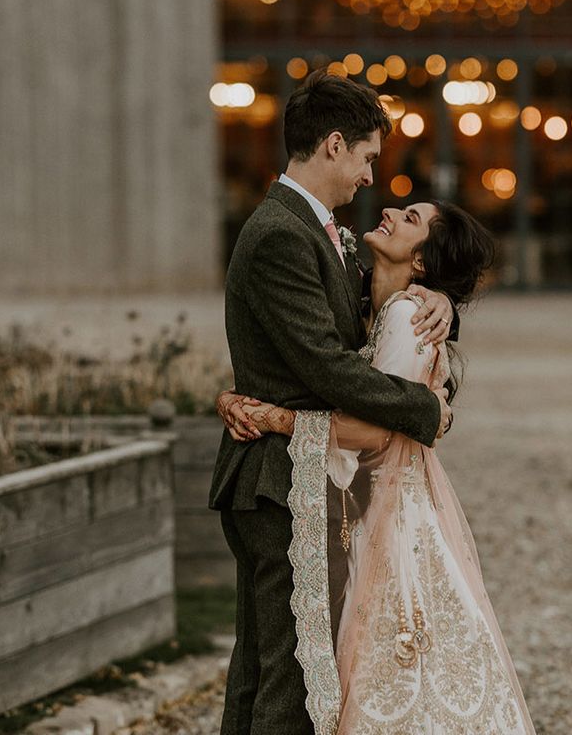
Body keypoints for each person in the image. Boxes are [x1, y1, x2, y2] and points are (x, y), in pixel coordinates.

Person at [222, 200, 538, 734]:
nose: (389, 207)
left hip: (386, 518)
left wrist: (275, 419)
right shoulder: (377, 300)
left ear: (420, 262)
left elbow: (372, 431)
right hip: (365, 502)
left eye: (410, 218)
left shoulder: (405, 319)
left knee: (376, 667)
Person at [209, 69, 457, 735]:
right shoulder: (281, 236)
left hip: (294, 477)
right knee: (287, 680)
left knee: (267, 670)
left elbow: (373, 332)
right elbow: (327, 367)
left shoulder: (324, 233)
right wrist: (425, 411)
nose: (370, 178)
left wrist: (435, 302)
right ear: (334, 145)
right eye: (368, 158)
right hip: (274, 480)